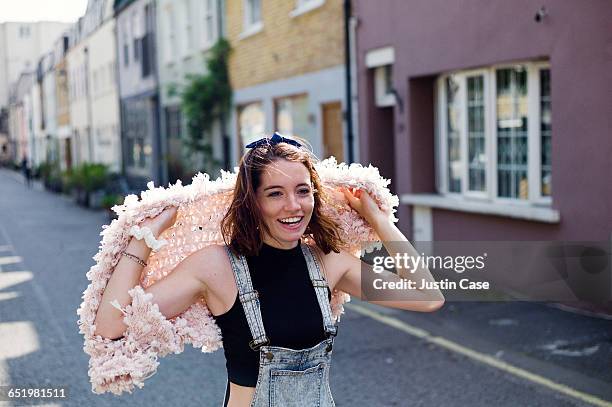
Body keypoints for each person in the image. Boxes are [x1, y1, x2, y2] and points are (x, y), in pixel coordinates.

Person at [93, 134, 445, 406]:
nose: (293, 206)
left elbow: (427, 297)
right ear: (253, 202)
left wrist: (380, 221)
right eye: (275, 193)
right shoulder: (216, 266)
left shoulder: (328, 262)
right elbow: (112, 325)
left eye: (303, 191)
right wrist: (143, 237)